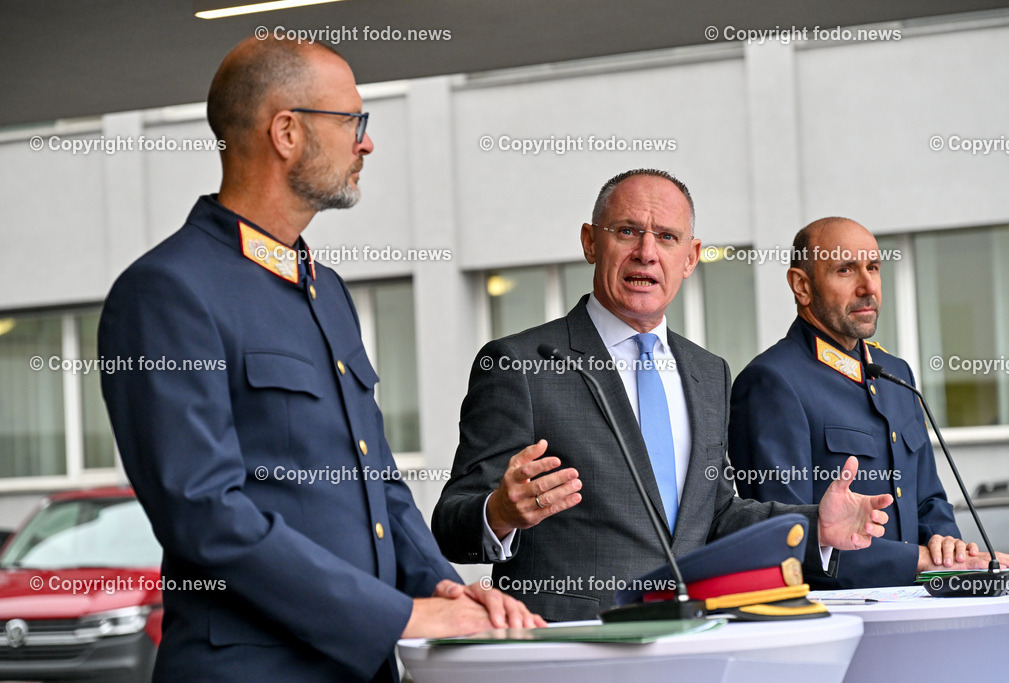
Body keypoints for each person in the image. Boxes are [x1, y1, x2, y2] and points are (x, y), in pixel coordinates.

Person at [99, 37, 541, 683]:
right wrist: (396, 616)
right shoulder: (167, 290)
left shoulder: (324, 288)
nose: (366, 143)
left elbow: (379, 480)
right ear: (286, 131)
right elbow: (205, 513)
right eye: (353, 122)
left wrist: (447, 592)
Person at [432, 170, 894, 621]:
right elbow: (452, 526)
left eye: (667, 237)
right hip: (572, 648)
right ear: (591, 242)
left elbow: (716, 514)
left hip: (689, 637)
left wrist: (818, 526)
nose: (646, 253)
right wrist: (499, 512)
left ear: (691, 257)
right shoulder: (521, 364)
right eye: (628, 231)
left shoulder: (708, 373)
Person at [728, 217, 1009, 588]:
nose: (868, 286)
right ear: (802, 286)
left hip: (920, 607)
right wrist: (916, 560)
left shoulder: (895, 375)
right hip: (837, 620)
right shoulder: (772, 381)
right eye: (845, 270)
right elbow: (784, 537)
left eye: (873, 267)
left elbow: (929, 498)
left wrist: (948, 548)